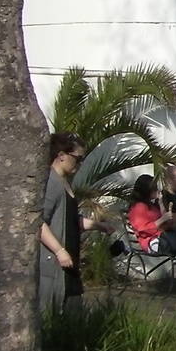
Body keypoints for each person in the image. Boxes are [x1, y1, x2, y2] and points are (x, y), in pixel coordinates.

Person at [38, 132, 115, 310]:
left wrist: (98, 226)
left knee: (74, 312)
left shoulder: (64, 182)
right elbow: (39, 222)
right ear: (61, 155)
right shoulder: (52, 182)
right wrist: (59, 251)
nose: (80, 164)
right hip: (55, 264)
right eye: (78, 158)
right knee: (55, 312)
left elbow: (70, 221)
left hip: (70, 264)